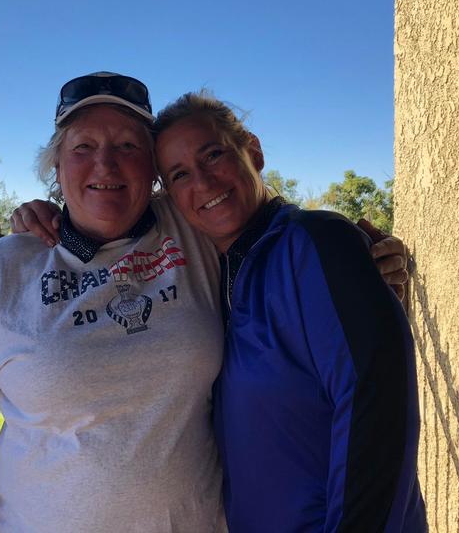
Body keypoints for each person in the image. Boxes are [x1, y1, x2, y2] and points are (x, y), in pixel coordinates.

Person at [0, 72, 228, 532]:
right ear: (57, 169)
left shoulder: (194, 230)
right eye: (83, 147)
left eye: (128, 146)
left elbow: (259, 215)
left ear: (153, 168)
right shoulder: (7, 268)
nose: (106, 165)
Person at [152, 91, 427, 531]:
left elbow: (377, 406)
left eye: (213, 154)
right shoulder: (212, 280)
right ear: (170, 198)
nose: (202, 181)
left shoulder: (316, 243)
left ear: (253, 152)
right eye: (179, 174)